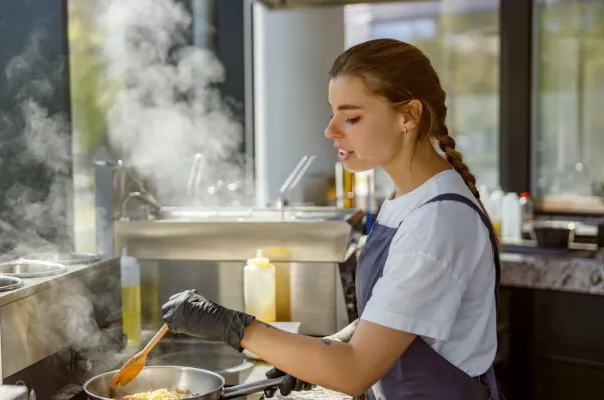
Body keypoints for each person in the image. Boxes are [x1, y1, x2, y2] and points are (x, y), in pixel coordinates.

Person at [160, 38, 502, 400]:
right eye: (333, 112)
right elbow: (409, 313)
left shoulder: (436, 222)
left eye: (351, 117)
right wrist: (330, 346)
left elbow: (354, 370)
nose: (331, 130)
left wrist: (232, 325)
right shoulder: (408, 199)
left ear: (409, 116)